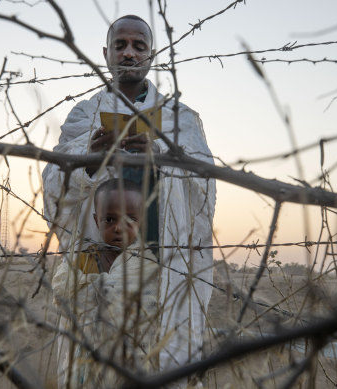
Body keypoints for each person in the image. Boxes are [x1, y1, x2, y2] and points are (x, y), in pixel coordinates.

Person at [42, 14, 216, 388]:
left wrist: (162, 157)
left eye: (139, 46)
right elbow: (54, 189)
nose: (129, 53)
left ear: (151, 55)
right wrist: (88, 162)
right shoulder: (84, 116)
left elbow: (204, 189)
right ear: (106, 53)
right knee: (93, 365)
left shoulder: (178, 119)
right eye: (120, 45)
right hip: (95, 263)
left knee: (155, 362)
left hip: (161, 264)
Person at [52, 178, 160, 388]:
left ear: (142, 222)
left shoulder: (147, 266)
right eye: (109, 220)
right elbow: (63, 292)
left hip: (132, 364)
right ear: (96, 220)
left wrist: (95, 293)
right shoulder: (84, 259)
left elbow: (148, 310)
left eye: (130, 220)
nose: (119, 228)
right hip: (86, 365)